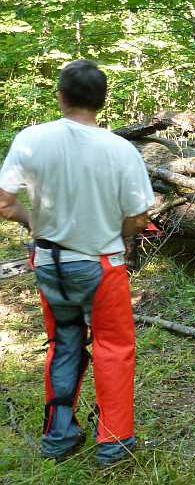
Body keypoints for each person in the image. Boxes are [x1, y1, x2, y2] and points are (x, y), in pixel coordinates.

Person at [0, 59, 154, 465]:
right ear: (102, 101)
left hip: (50, 263)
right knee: (114, 348)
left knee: (64, 343)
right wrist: (116, 230)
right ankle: (114, 442)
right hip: (101, 266)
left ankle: (59, 437)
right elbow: (138, 218)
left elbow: (3, 202)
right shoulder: (119, 149)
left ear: (61, 96)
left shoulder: (31, 139)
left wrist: (35, 221)